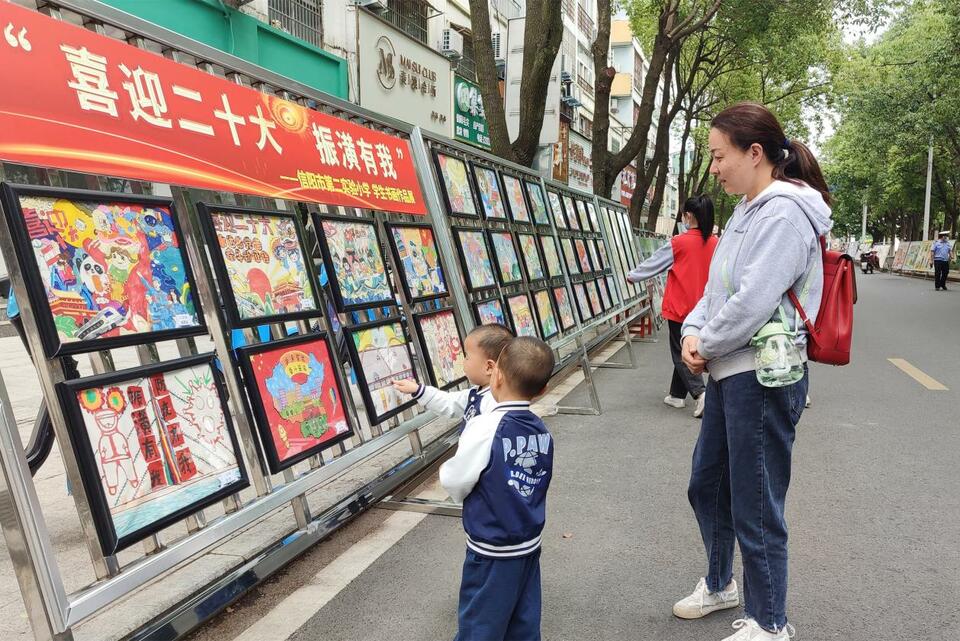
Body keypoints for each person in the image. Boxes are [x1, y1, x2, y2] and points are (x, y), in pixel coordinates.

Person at [676, 102, 832, 641]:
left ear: (755, 153)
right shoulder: (748, 209)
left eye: (720, 156)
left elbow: (752, 302)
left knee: (756, 503)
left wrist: (706, 341)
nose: (714, 167)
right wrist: (691, 334)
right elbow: (716, 292)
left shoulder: (785, 214)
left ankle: (770, 622)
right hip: (728, 371)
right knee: (706, 485)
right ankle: (721, 584)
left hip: (763, 378)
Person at [440, 336, 555, 641]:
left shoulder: (486, 426)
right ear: (542, 389)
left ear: (497, 375)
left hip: (491, 547)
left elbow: (457, 478)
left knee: (480, 623)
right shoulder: (541, 430)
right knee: (523, 621)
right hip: (528, 543)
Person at [627, 195, 718, 418]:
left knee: (680, 353)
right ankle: (676, 395)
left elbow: (654, 264)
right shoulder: (717, 243)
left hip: (680, 307)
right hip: (707, 308)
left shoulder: (679, 242)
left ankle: (700, 394)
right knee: (688, 349)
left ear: (688, 216)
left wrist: (631, 277)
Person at [392, 323, 514, 424]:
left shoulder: (494, 405)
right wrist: (417, 390)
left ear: (489, 367)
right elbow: (450, 402)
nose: (463, 361)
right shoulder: (479, 393)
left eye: (467, 357)